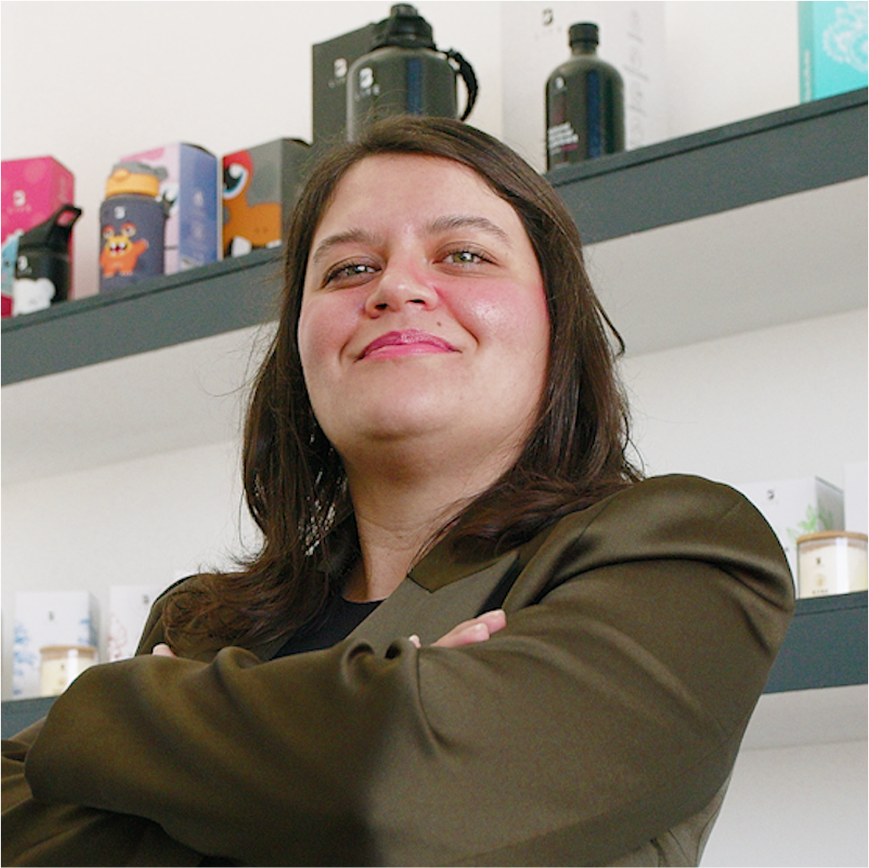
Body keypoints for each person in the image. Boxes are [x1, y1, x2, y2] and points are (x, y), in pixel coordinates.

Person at [0, 117, 794, 868]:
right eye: (349, 269)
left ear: (558, 325)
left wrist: (114, 705)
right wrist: (366, 721)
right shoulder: (203, 621)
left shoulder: (681, 548)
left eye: (464, 255)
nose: (397, 288)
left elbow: (395, 793)